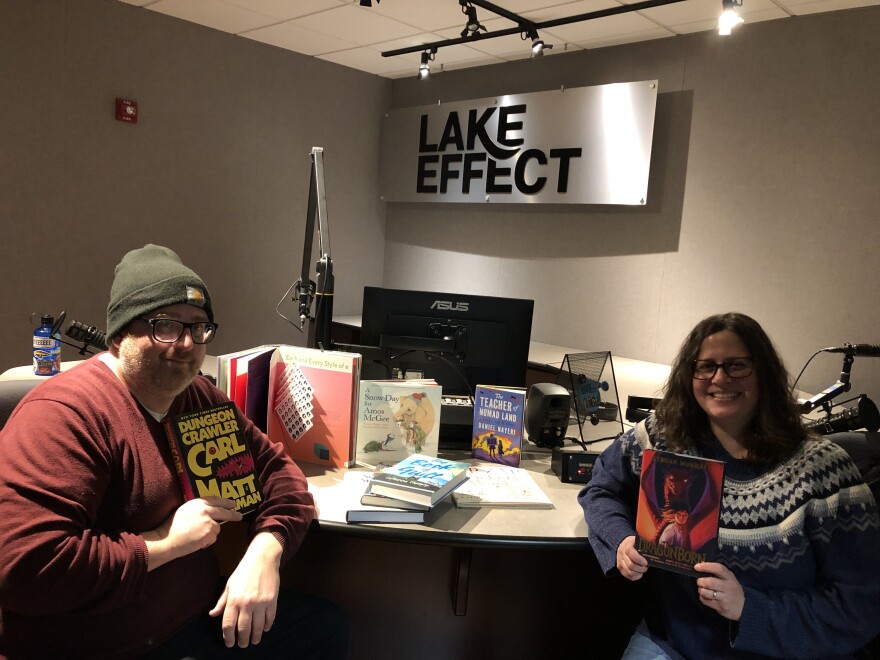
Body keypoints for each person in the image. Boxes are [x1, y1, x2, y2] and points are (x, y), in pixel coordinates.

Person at [0, 244, 349, 658]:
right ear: (119, 336)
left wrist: (265, 551)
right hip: (102, 646)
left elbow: (279, 473)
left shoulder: (197, 396)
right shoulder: (64, 415)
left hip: (193, 622)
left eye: (199, 328)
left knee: (325, 627)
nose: (185, 343)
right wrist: (165, 544)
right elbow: (23, 569)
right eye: (164, 326)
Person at [579, 312, 880, 659]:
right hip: (674, 641)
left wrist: (750, 609)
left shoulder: (823, 471)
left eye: (737, 366)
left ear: (763, 373)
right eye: (706, 366)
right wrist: (620, 539)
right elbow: (601, 488)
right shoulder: (662, 435)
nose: (720, 378)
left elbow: (861, 607)